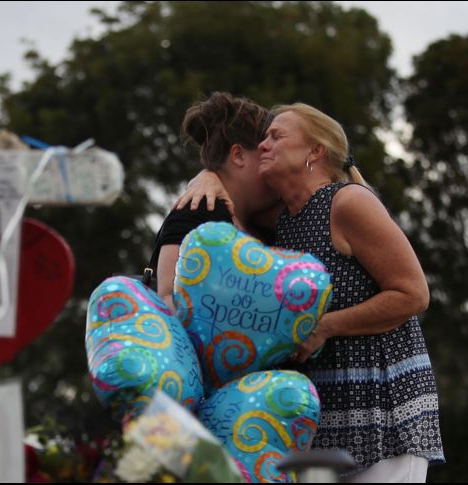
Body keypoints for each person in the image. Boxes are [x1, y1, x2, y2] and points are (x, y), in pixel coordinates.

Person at [175, 103, 444, 482]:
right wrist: (209, 175)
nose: (262, 145)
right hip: (324, 429)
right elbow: (234, 185)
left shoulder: (348, 202)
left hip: (384, 420)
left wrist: (325, 326)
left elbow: (413, 295)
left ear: (315, 151)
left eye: (276, 136)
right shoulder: (284, 221)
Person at [149, 92, 279, 309]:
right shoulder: (198, 210)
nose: (276, 164)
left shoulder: (266, 221)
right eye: (266, 152)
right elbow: (170, 299)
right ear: (238, 155)